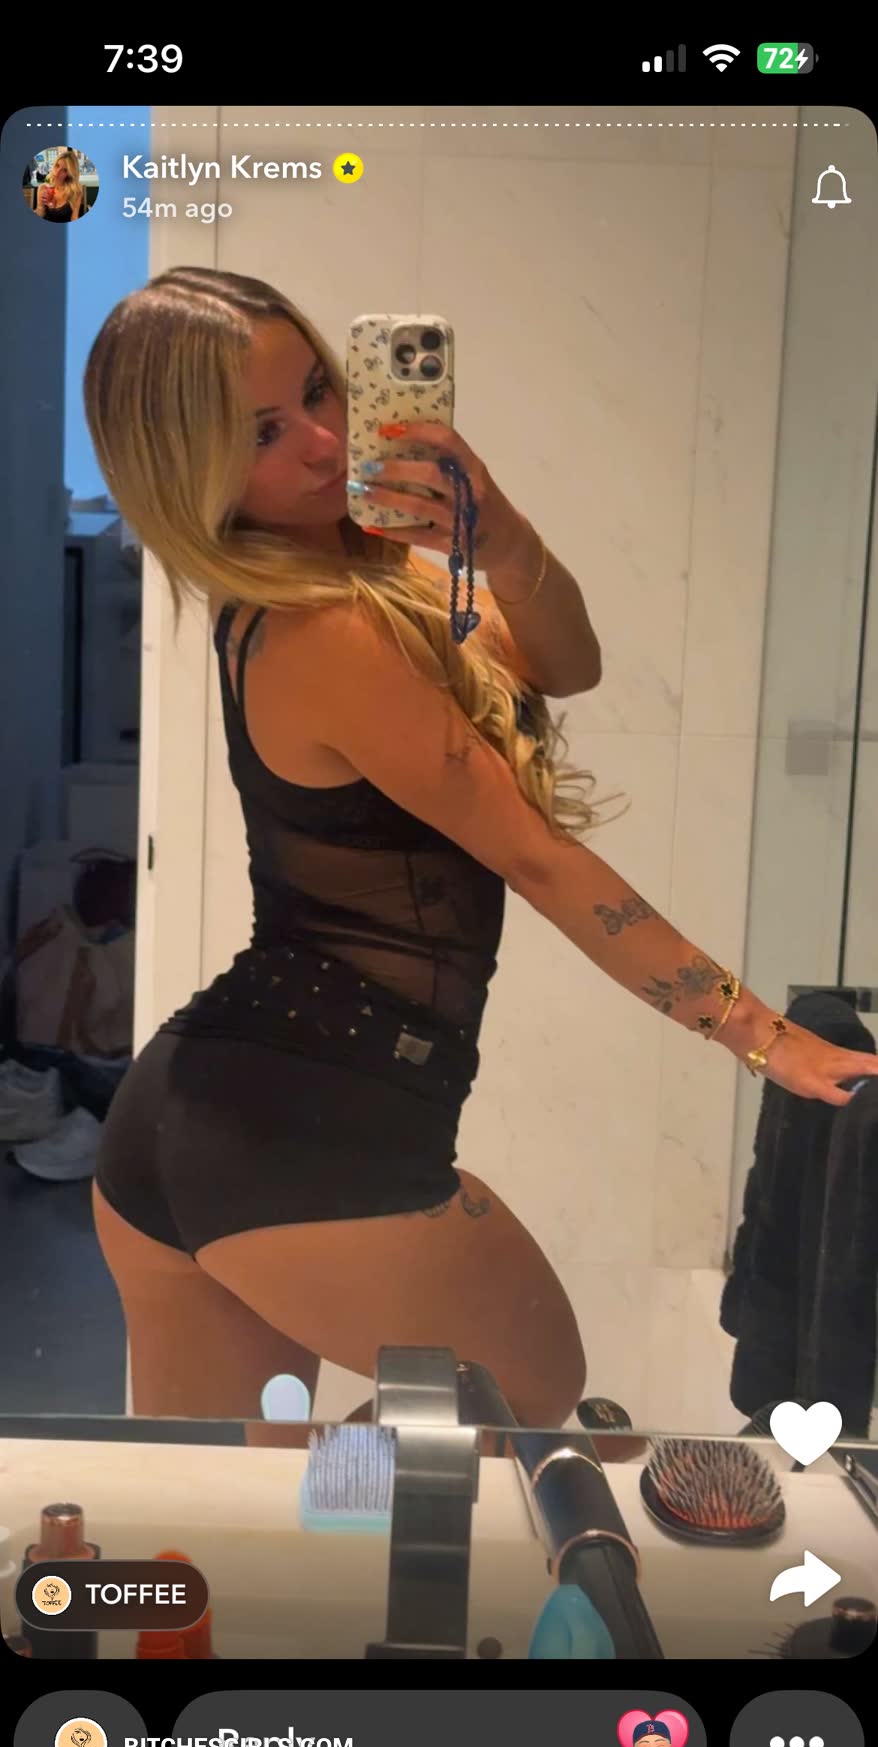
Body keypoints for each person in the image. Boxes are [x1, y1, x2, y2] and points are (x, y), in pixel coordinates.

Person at [82, 267, 878, 1432]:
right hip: (307, 1130)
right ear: (185, 467)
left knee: (219, 1513)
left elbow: (565, 664)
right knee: (527, 1395)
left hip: (184, 1125)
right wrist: (763, 1036)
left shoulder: (338, 584)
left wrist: (495, 533)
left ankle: (322, 1521)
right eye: (261, 432)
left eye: (318, 391)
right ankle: (352, 1514)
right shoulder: (326, 627)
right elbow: (538, 858)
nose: (322, 440)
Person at [34, 150, 90, 222]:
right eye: (57, 165)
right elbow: (40, 215)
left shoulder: (75, 191)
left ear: (69, 173)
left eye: (65, 170)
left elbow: (74, 217)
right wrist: (41, 206)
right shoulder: (43, 188)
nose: (57, 172)